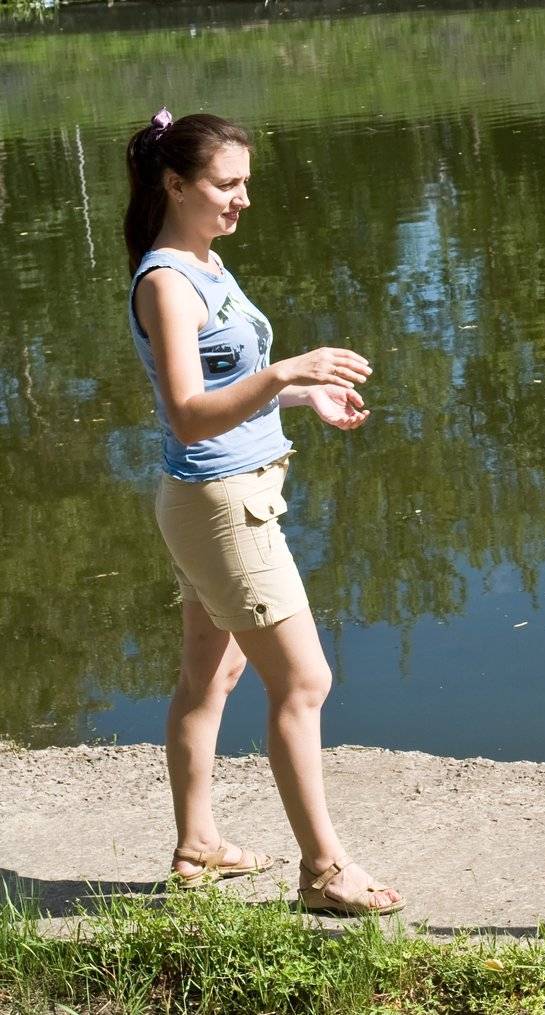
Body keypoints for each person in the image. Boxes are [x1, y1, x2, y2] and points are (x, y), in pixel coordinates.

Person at [124, 108, 403, 916]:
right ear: (175, 185)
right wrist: (287, 371)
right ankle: (324, 872)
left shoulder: (204, 261)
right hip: (218, 506)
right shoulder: (169, 282)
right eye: (226, 183)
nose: (243, 198)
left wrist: (303, 394)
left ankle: (197, 843)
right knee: (305, 678)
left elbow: (223, 387)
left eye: (246, 182)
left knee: (213, 670)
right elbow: (186, 409)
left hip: (217, 497)